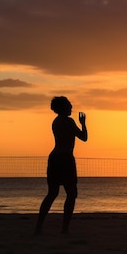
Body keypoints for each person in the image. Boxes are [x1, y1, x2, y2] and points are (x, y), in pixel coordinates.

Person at [35, 96, 88, 234]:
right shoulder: (69, 121)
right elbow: (84, 137)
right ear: (64, 107)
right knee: (71, 194)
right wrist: (83, 123)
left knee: (52, 193)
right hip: (65, 158)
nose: (71, 107)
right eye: (69, 105)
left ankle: (39, 227)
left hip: (54, 158)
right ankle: (64, 229)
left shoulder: (55, 122)